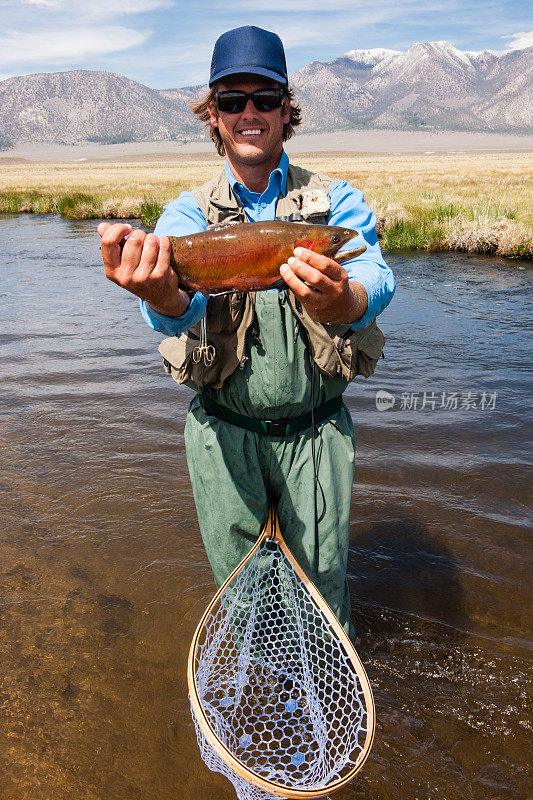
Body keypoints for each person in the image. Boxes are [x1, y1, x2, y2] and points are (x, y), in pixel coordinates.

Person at [99, 25, 395, 638]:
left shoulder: (335, 203)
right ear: (213, 117)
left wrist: (345, 300)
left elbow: (375, 276)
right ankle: (259, 683)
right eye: (232, 102)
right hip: (221, 435)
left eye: (265, 99)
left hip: (317, 434)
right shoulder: (185, 215)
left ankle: (319, 686)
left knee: (324, 587)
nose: (249, 114)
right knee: (242, 593)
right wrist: (160, 293)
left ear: (289, 111)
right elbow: (172, 313)